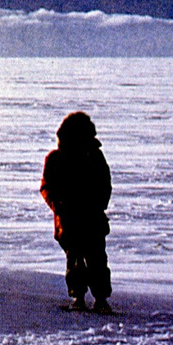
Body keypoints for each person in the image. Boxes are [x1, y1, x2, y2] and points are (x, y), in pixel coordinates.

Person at [39, 111, 113, 313]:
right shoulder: (57, 159)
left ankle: (100, 299)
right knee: (76, 261)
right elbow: (47, 188)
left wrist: (99, 205)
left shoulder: (94, 156)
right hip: (70, 219)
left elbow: (104, 183)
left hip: (91, 217)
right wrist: (59, 206)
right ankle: (79, 297)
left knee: (96, 259)